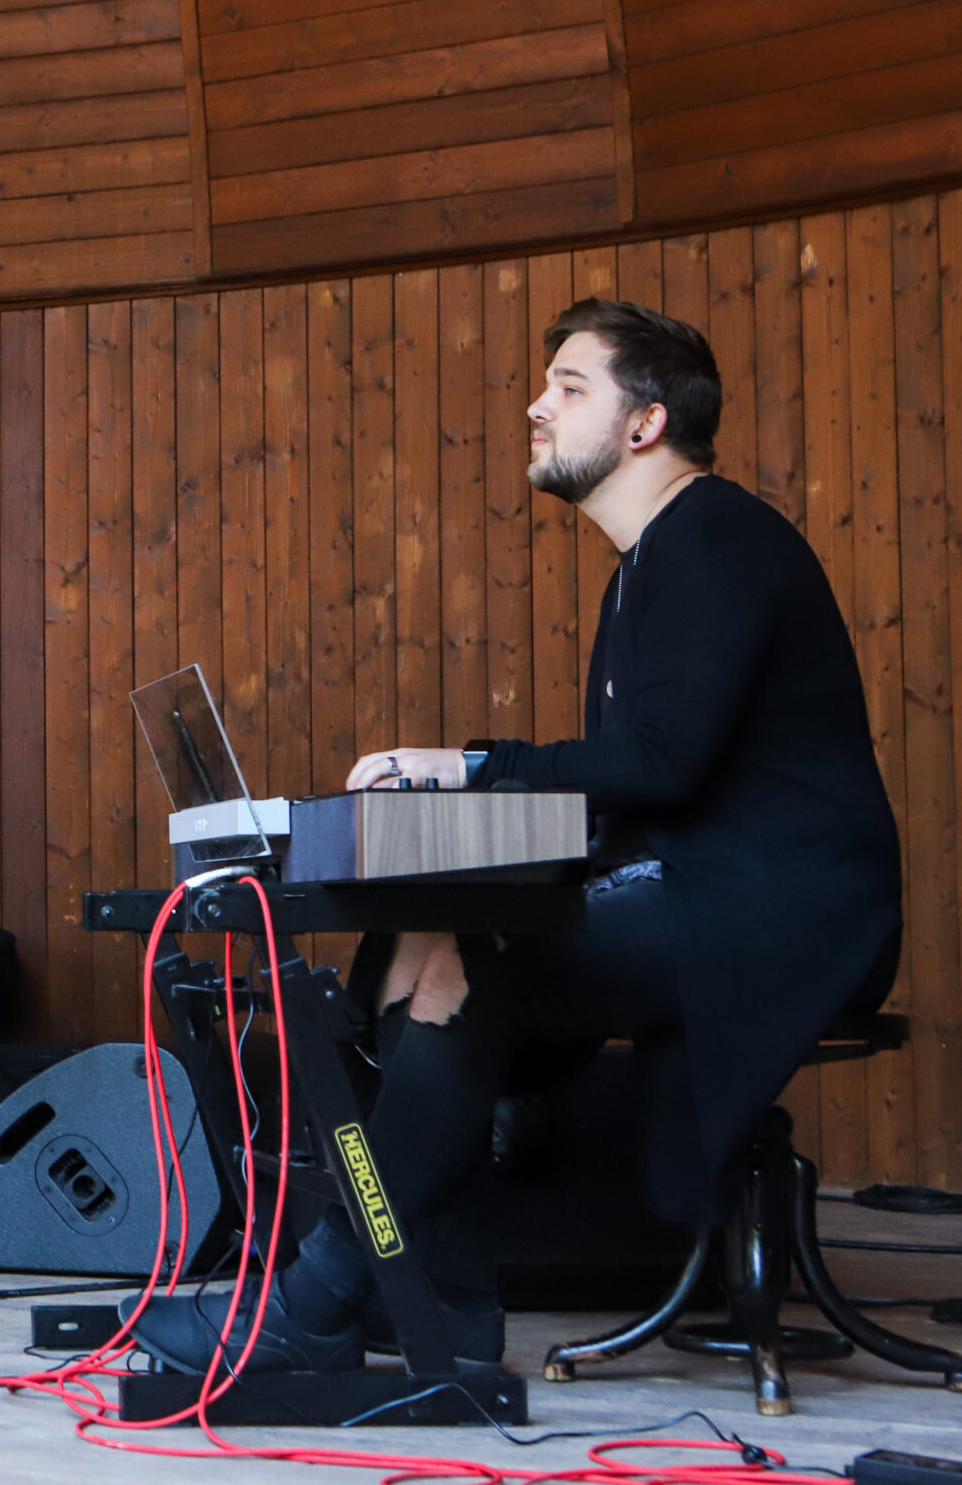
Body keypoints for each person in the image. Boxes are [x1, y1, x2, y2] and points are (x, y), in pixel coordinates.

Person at [132, 298, 904, 1373]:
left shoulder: (714, 537)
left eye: (569, 388)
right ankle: (433, 1303)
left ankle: (325, 1295)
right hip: (711, 887)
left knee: (468, 968)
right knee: (417, 939)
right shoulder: (651, 563)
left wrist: (472, 767)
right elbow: (631, 795)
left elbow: (660, 764)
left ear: (645, 423)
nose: (537, 407)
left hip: (787, 912)